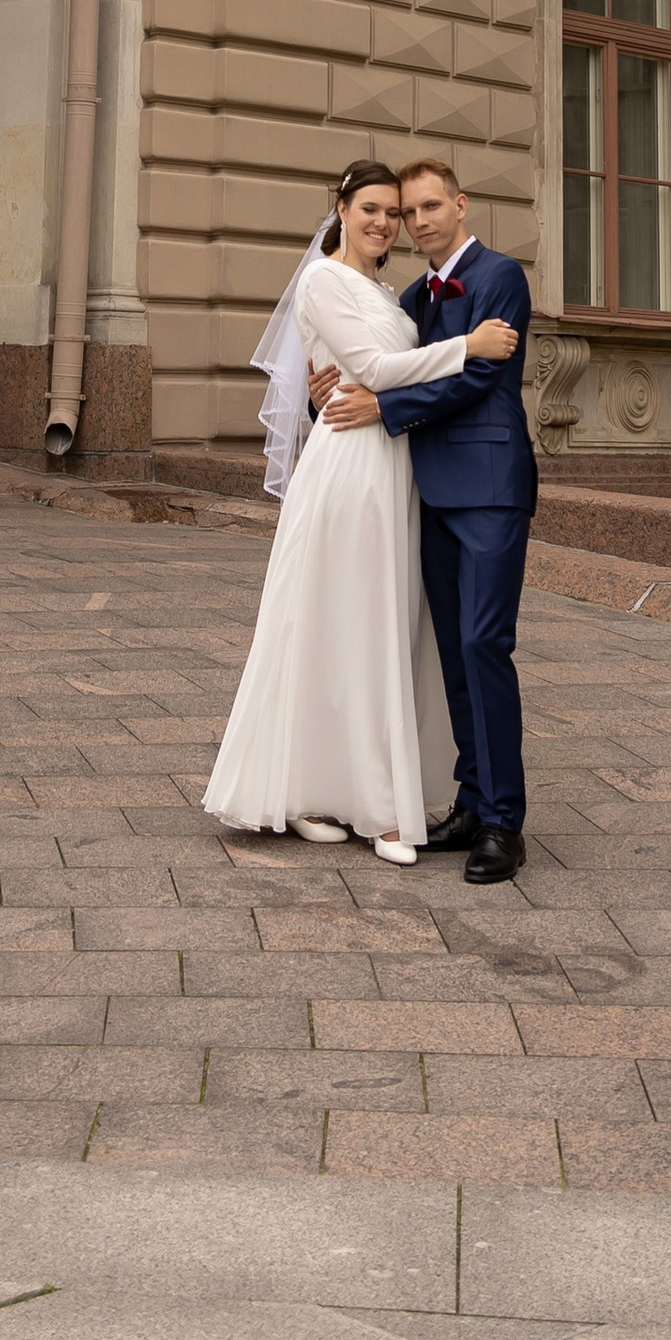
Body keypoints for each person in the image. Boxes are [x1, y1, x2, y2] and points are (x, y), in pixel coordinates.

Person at [202, 158, 521, 863]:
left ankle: (446, 804)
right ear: (341, 208)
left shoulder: (421, 288)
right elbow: (372, 374)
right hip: (356, 470)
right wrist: (460, 347)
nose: (392, 221)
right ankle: (351, 795)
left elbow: (386, 373)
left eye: (401, 210)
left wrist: (365, 395)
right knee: (343, 622)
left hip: (420, 475)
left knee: (411, 634)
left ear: (456, 206)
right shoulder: (332, 281)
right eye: (376, 208)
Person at [319, 160, 535, 886]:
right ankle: (471, 801)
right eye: (409, 212)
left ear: (462, 202)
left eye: (431, 205)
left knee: (484, 642)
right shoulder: (414, 295)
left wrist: (384, 408)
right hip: (431, 493)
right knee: (452, 654)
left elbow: (475, 377)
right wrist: (333, 383)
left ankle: (505, 821)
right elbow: (391, 360)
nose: (419, 221)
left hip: (491, 487)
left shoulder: (502, 276)